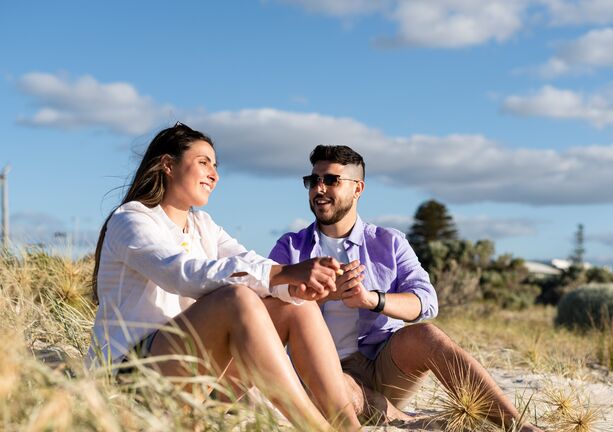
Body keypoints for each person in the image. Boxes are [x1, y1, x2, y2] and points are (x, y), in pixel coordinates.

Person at [87, 123, 360, 431]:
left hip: (195, 376)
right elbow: (181, 274)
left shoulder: (203, 224)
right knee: (236, 298)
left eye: (216, 166)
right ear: (167, 164)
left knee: (297, 306)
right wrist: (282, 272)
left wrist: (295, 286)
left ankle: (349, 426)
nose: (214, 174)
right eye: (204, 162)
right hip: (130, 377)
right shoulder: (132, 218)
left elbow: (246, 261)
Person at [269, 145, 544, 432]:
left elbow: (426, 301)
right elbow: (267, 303)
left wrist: (371, 299)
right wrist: (325, 293)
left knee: (426, 335)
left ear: (357, 188)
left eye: (331, 180)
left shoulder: (389, 242)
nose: (319, 188)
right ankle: (403, 419)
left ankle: (518, 425)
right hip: (323, 370)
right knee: (336, 384)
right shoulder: (290, 247)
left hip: (381, 363)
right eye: (313, 181)